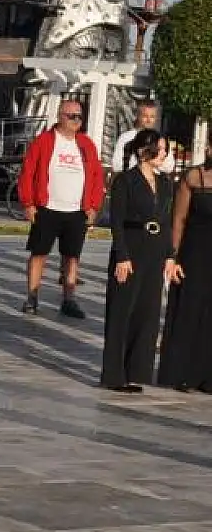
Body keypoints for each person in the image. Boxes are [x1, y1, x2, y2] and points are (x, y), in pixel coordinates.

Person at [101, 129, 173, 393]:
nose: (164, 154)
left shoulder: (165, 183)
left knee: (147, 311)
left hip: (155, 251)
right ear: (144, 151)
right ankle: (114, 374)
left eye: (165, 150)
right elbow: (116, 221)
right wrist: (122, 255)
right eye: (160, 149)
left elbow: (166, 220)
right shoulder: (125, 181)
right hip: (132, 247)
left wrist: (170, 255)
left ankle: (136, 371)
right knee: (123, 310)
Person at [19, 99, 104, 318]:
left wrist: (93, 206)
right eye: (71, 116)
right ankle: (32, 297)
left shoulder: (86, 144)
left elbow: (97, 176)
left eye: (79, 116)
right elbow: (28, 172)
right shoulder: (44, 141)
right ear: (60, 116)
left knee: (72, 257)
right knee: (39, 253)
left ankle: (69, 299)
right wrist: (28, 203)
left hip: (76, 210)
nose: (76, 120)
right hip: (47, 208)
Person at [159, 158, 212, 393]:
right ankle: (182, 374)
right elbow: (178, 220)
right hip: (194, 253)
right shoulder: (193, 177)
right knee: (189, 311)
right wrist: (172, 256)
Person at [111, 100, 178, 178]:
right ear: (138, 116)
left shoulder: (161, 140)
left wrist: (152, 163)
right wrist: (145, 164)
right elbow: (117, 165)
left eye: (152, 116)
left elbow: (169, 166)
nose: (149, 120)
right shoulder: (126, 137)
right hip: (132, 179)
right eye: (145, 116)